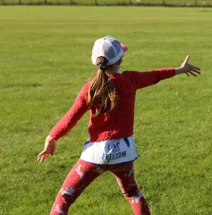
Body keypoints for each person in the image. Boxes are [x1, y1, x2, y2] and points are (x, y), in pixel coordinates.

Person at [37, 36, 201, 214]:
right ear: (120, 60)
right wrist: (179, 69)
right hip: (124, 152)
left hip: (95, 154)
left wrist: (52, 137)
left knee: (65, 197)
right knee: (132, 194)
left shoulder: (90, 88)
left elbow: (71, 118)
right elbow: (155, 75)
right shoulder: (130, 79)